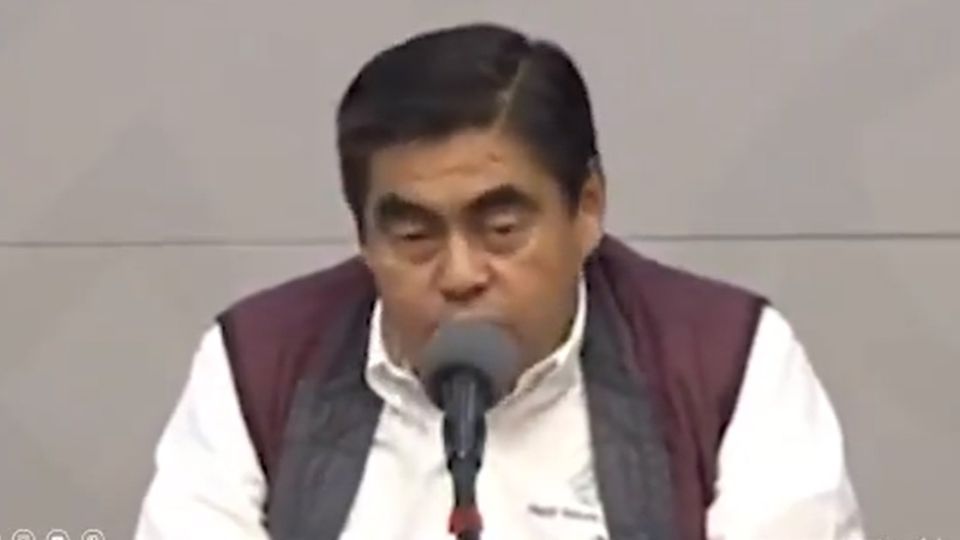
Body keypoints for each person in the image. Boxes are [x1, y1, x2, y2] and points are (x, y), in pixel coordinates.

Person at [134, 23, 863, 540]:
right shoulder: (258, 362)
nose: (459, 275)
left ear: (587, 209)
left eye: (502, 228)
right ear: (363, 238)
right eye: (413, 235)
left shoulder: (726, 360)